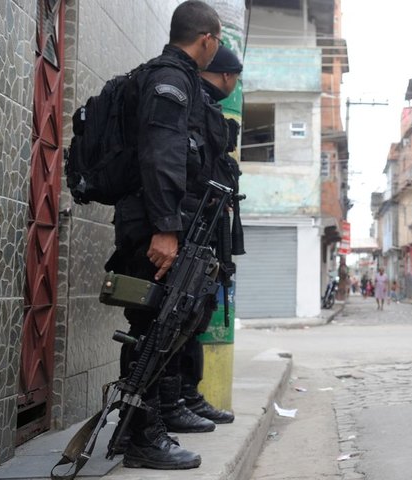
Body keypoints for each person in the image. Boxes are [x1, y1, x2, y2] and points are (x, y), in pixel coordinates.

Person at [104, 1, 227, 470]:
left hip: (159, 221)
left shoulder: (174, 78)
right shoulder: (169, 80)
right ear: (207, 39)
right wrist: (165, 229)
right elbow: (161, 156)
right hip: (153, 225)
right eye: (217, 42)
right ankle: (141, 436)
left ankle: (144, 430)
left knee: (161, 327)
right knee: (149, 330)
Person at [164, 44, 244, 431]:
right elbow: (167, 161)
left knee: (192, 317)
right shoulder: (186, 97)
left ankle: (185, 397)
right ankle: (160, 411)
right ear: (228, 76)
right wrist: (167, 227)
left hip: (197, 227)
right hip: (180, 227)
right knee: (169, 320)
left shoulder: (201, 102)